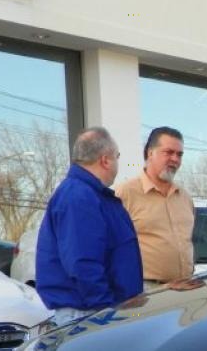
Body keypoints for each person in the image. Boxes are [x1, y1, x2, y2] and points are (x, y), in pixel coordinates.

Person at [35, 127, 143, 326]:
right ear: (105, 160)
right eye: (117, 157)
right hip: (88, 315)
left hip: (100, 310)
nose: (117, 163)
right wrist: (105, 310)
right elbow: (82, 263)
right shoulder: (79, 197)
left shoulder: (91, 195)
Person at [116, 126, 196, 288]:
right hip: (144, 292)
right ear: (149, 153)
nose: (175, 159)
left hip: (186, 289)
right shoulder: (125, 194)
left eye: (179, 154)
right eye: (168, 152)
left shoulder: (185, 197)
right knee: (137, 316)